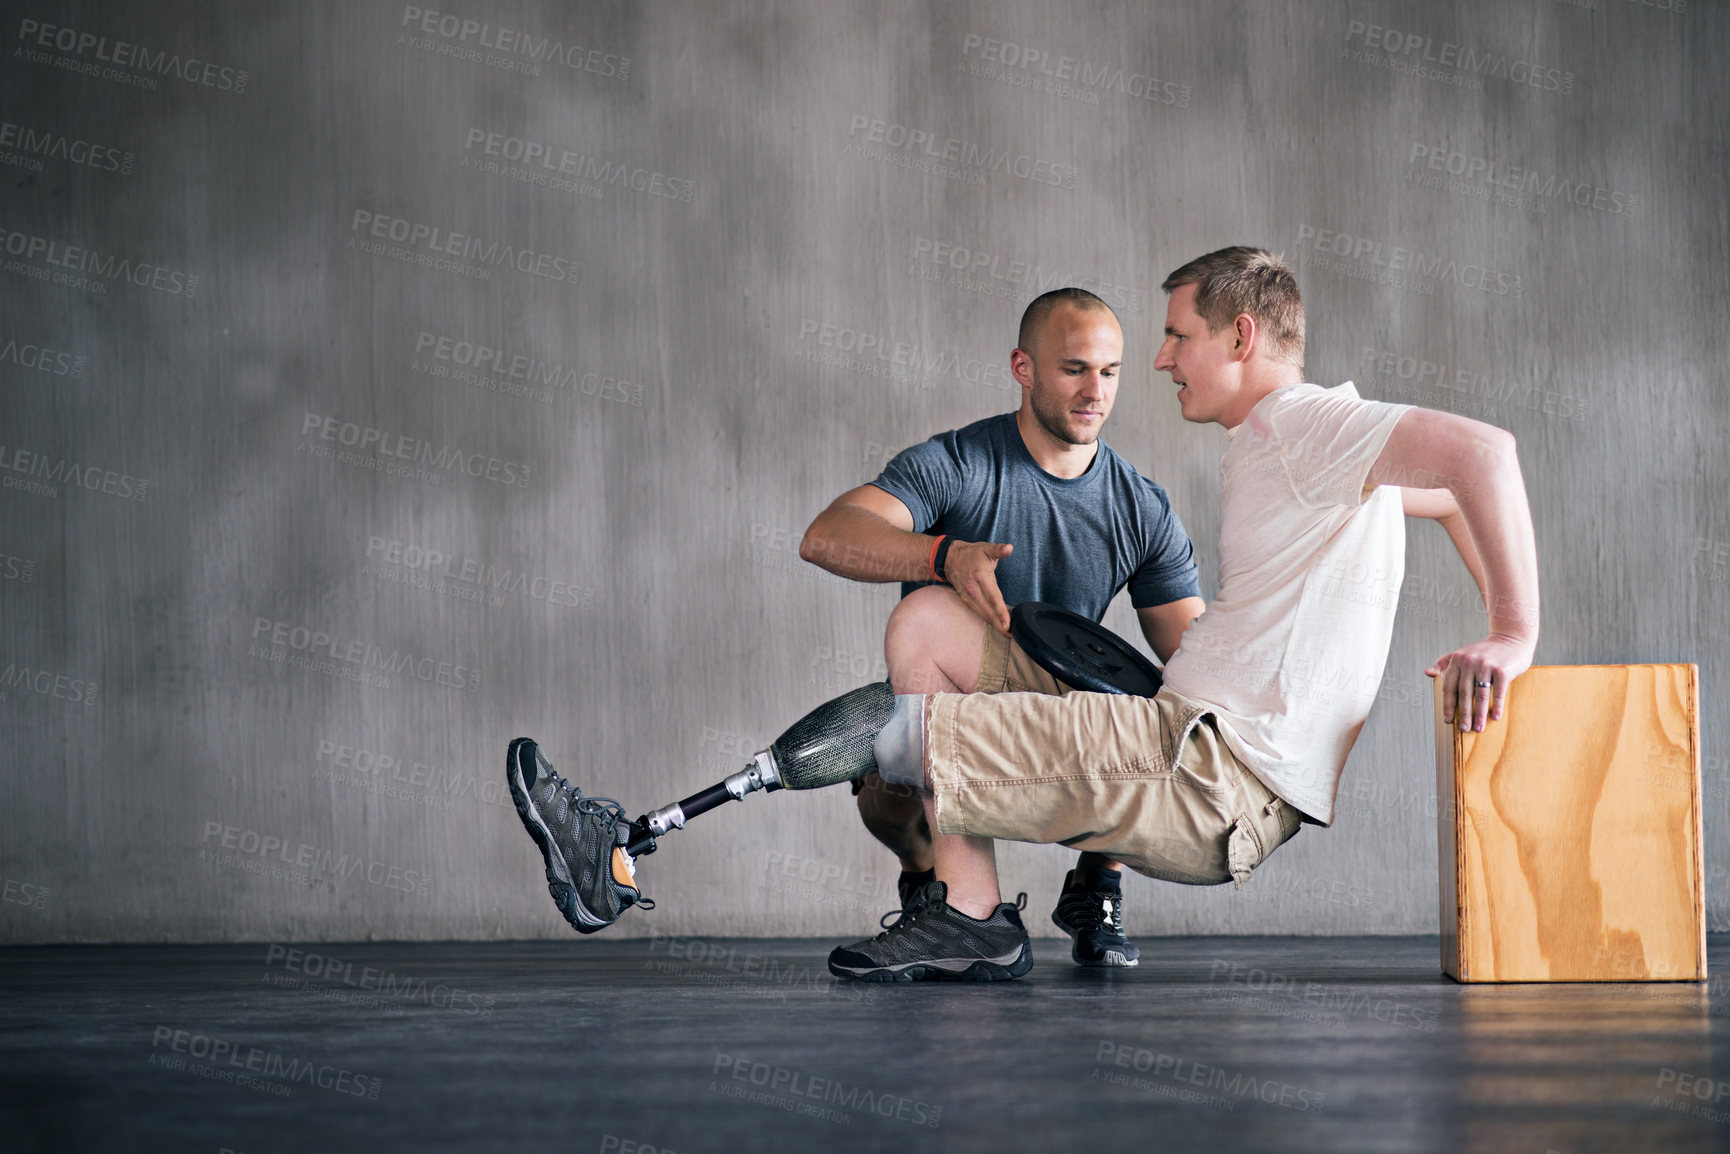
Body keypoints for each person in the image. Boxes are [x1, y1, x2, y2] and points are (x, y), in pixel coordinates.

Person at [506, 246, 1540, 982]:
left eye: (1170, 339)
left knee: (910, 730)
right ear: (1024, 370)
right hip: (1175, 736)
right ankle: (965, 905)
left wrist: (1509, 632)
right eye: (1088, 363)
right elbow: (1445, 493)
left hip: (1206, 769)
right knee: (925, 628)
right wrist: (944, 556)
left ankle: (635, 840)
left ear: (1238, 333)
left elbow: (1480, 457)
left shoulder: (1302, 423)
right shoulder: (1280, 449)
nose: (1155, 365)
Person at [795, 286, 1206, 967]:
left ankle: (1097, 884)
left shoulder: (1140, 506)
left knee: (1150, 704)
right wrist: (943, 554)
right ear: (1024, 368)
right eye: (1074, 368)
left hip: (1058, 711)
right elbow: (826, 536)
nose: (1093, 391)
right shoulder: (958, 464)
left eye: (1109, 372)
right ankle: (938, 880)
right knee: (883, 787)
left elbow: (1191, 660)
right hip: (952, 693)